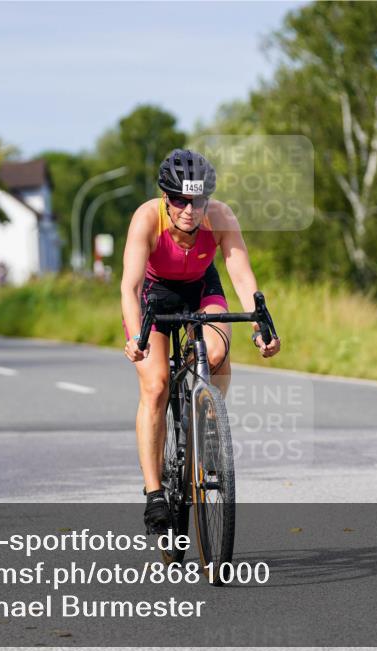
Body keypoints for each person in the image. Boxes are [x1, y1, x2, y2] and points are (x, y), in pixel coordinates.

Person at [121, 148, 281, 534]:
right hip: (155, 295)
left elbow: (241, 275)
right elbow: (131, 285)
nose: (190, 209)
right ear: (166, 198)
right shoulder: (147, 218)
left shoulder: (222, 217)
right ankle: (155, 492)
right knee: (156, 383)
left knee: (215, 351)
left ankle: (209, 419)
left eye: (198, 200)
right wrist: (136, 338)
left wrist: (261, 325)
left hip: (201, 289)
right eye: (180, 200)